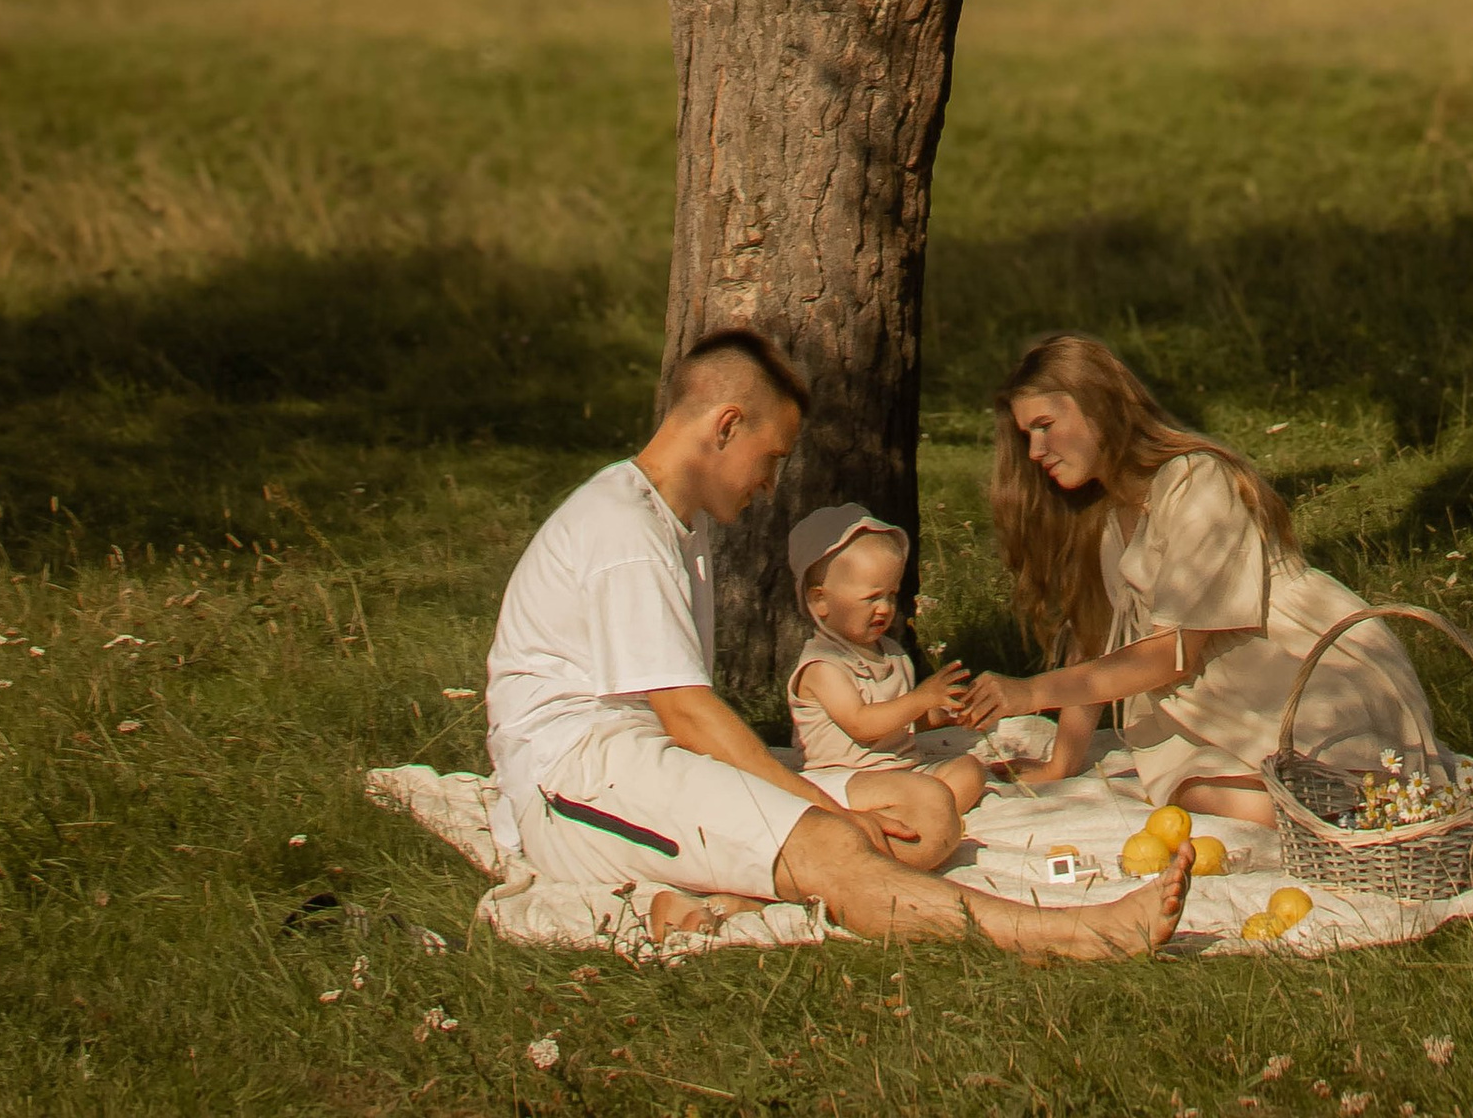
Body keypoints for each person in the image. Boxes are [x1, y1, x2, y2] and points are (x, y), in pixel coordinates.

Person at [484, 326, 1189, 957]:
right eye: (771, 457)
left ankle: (716, 891)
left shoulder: (678, 523)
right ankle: (1076, 934)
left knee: (921, 814)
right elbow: (687, 712)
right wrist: (821, 809)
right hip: (578, 779)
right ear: (725, 425)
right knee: (835, 839)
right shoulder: (624, 533)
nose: (770, 484)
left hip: (645, 761)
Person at [975, 333, 1473, 838]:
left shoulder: (1194, 482)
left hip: (1293, 671)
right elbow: (1095, 646)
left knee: (1336, 787)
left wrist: (1029, 694)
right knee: (1193, 792)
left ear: (1100, 408)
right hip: (1210, 702)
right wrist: (1062, 760)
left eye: (1047, 425)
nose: (1035, 450)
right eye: (1028, 433)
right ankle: (1414, 827)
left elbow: (1171, 652)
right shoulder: (1107, 522)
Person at [784, 501, 1000, 821]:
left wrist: (941, 711)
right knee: (923, 793)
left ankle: (917, 820)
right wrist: (921, 698)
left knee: (968, 770)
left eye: (891, 595)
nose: (884, 608)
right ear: (820, 600)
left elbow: (900, 721)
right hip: (842, 779)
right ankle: (909, 820)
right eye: (871, 598)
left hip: (899, 772)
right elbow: (861, 724)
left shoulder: (890, 651)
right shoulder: (822, 666)